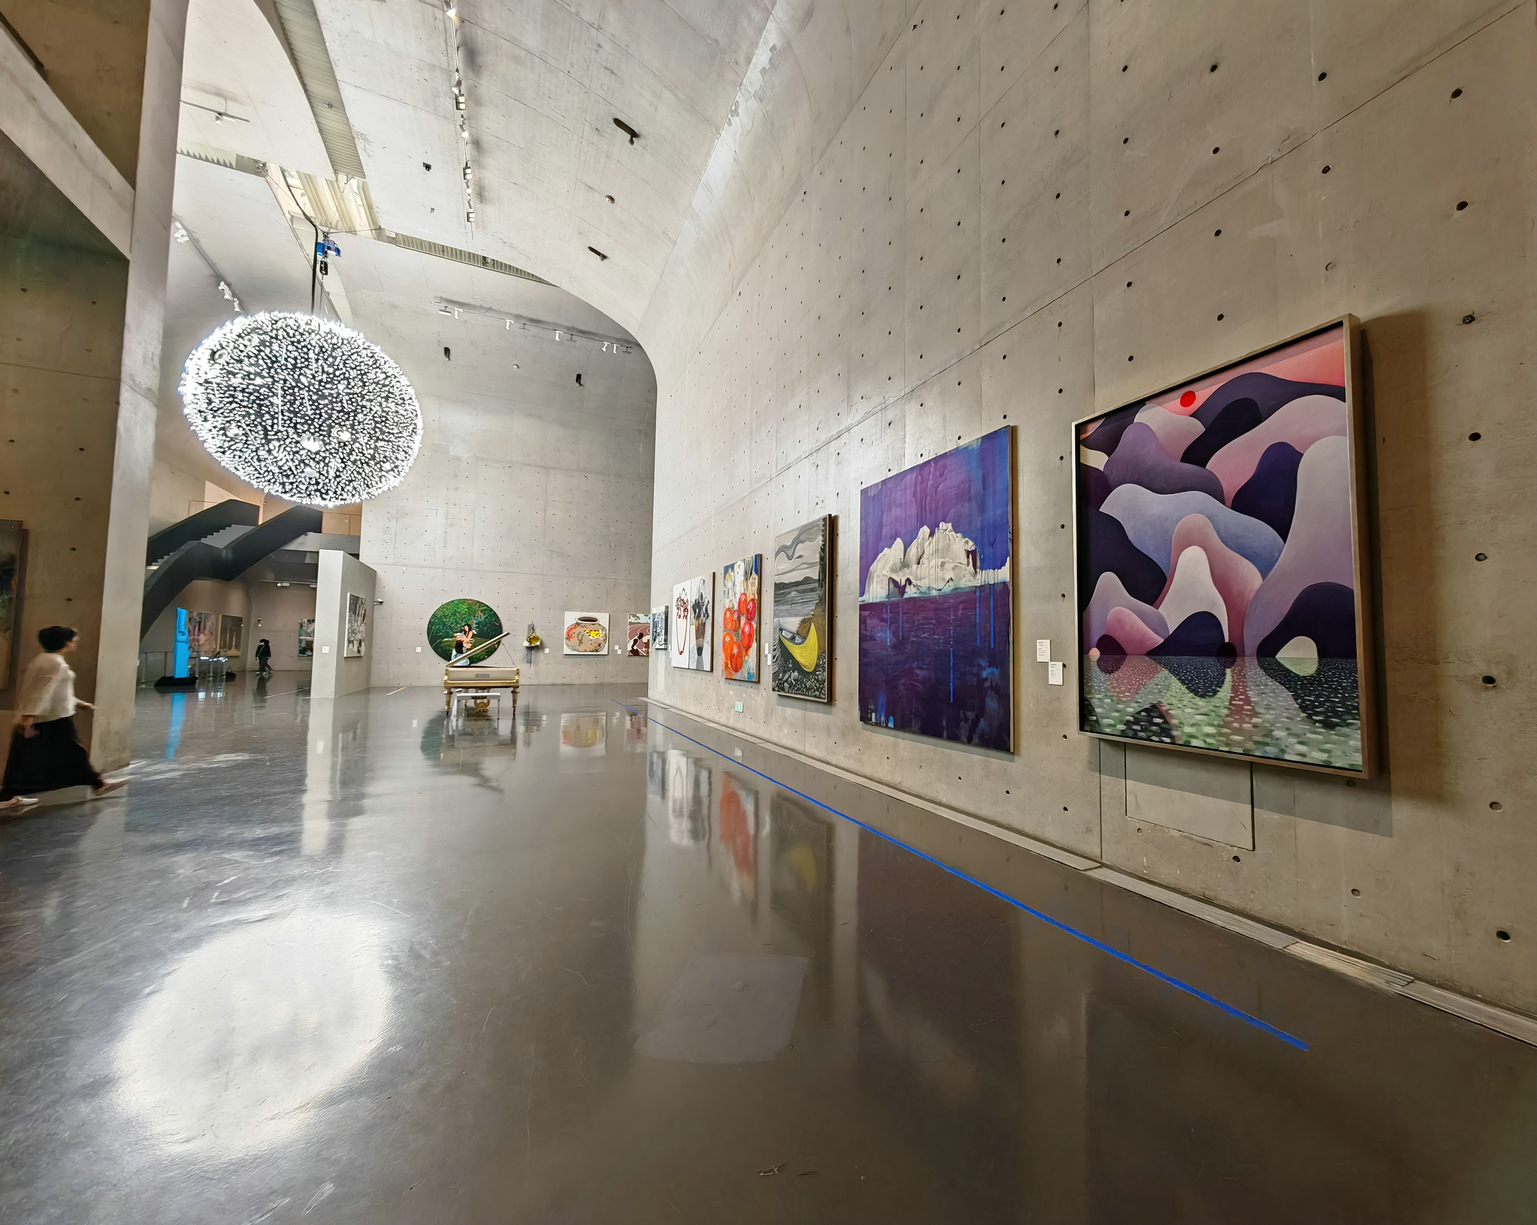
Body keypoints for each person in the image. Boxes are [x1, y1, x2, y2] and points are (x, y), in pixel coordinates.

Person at [1, 626, 126, 804]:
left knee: (24, 756)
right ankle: (97, 783)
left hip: (47, 716)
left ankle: (8, 794)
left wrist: (78, 703)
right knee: (72, 752)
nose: (75, 642)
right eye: (73, 639)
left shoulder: (44, 660)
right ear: (66, 642)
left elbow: (55, 691)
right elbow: (41, 690)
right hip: (51, 718)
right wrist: (29, 715)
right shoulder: (54, 663)